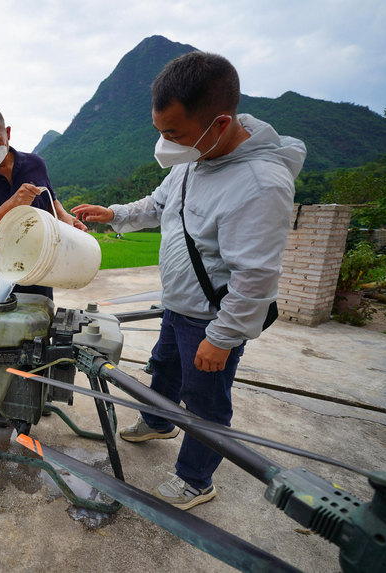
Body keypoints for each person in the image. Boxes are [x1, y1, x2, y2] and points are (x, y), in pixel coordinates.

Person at [72, 52, 306, 510]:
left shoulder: (260, 185)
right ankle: (159, 422)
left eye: (172, 133)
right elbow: (159, 206)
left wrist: (221, 338)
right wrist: (113, 215)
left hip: (211, 321)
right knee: (164, 368)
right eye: (161, 131)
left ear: (219, 123)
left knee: (205, 404)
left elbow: (256, 277)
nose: (164, 143)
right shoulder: (194, 156)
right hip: (177, 306)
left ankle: (196, 479)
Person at [0, 107, 86, 302]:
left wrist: (63, 216)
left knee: (40, 322)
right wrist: (12, 205)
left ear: (7, 133)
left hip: (40, 262)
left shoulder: (36, 164)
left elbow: (51, 199)